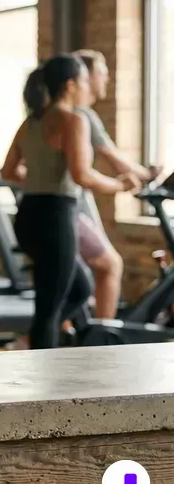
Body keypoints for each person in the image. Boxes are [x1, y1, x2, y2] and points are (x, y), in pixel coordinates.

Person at [0, 55, 143, 350]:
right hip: (55, 216)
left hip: (28, 215)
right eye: (84, 82)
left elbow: (9, 171)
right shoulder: (74, 120)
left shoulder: (31, 122)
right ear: (70, 85)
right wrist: (119, 185)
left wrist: (41, 177)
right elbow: (82, 175)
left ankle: (42, 350)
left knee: (79, 290)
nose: (88, 87)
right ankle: (44, 385)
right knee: (48, 310)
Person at [71, 50, 163, 321]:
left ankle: (69, 332)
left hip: (53, 208)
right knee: (110, 265)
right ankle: (103, 337)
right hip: (67, 208)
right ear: (86, 77)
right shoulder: (81, 116)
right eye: (102, 72)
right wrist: (141, 176)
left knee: (68, 277)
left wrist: (141, 175)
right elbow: (109, 158)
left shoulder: (61, 114)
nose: (107, 78)